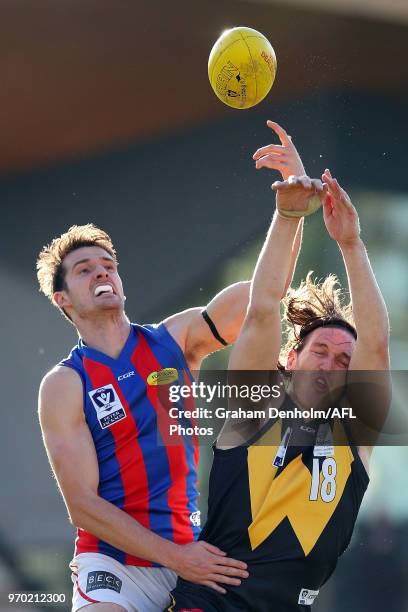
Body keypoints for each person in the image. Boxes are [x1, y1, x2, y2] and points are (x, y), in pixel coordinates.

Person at [37, 122, 306, 612]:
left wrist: (290, 210)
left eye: (108, 265)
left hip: (193, 552)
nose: (101, 271)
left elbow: (268, 294)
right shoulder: (64, 384)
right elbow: (83, 506)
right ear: (63, 299)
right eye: (84, 269)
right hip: (115, 565)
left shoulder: (176, 339)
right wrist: (177, 558)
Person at [167, 169, 390, 611]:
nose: (330, 364)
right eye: (320, 351)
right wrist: (289, 215)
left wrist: (351, 243)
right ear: (291, 360)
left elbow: (378, 345)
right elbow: (262, 311)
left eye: (345, 361)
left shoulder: (354, 435)